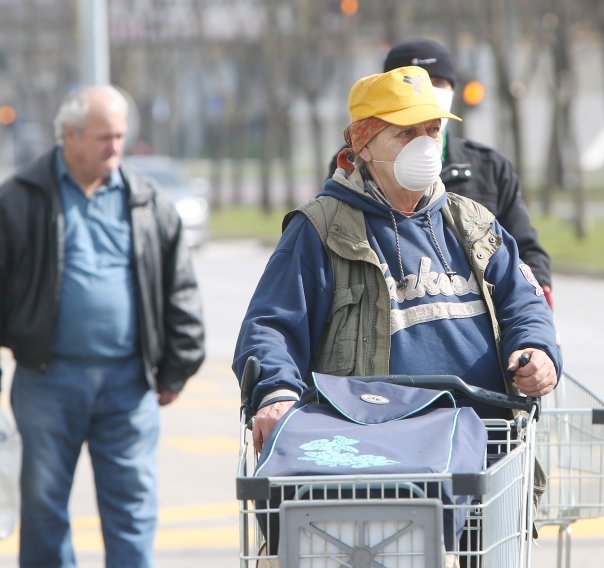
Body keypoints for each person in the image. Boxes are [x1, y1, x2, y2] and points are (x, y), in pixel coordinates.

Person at [235, 64, 560, 449]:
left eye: (432, 130)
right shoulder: (321, 229)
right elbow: (271, 327)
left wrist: (537, 349)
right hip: (376, 458)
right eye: (406, 132)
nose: (424, 144)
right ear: (363, 144)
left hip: (485, 451)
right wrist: (276, 394)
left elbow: (524, 301)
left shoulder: (474, 222)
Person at [0, 85, 205, 567]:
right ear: (68, 136)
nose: (115, 147)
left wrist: (176, 369)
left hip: (129, 385)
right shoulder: (19, 199)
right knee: (44, 511)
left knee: (132, 512)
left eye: (120, 136)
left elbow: (180, 291)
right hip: (46, 380)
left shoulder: (147, 201)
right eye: (103, 137)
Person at [328, 38, 554, 306]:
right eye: (405, 133)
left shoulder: (488, 167)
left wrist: (533, 306)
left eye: (439, 82)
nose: (429, 91)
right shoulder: (353, 167)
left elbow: (523, 253)